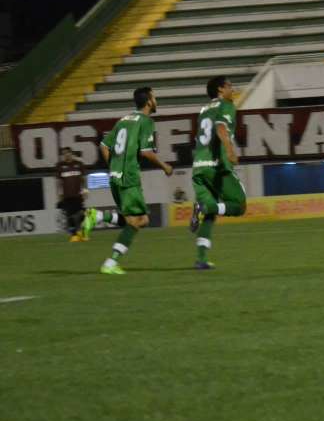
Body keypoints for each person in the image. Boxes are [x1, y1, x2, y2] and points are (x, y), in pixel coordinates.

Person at [81, 87, 173, 275]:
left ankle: (98, 218)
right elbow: (145, 152)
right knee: (140, 220)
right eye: (154, 97)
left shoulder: (123, 120)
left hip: (115, 177)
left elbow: (104, 145)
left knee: (136, 219)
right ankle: (110, 262)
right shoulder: (146, 121)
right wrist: (165, 166)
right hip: (129, 177)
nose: (156, 100)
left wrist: (114, 166)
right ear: (148, 101)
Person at [187, 76, 248, 269]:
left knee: (211, 214)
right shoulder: (226, 105)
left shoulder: (204, 110)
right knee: (239, 206)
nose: (233, 89)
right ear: (221, 90)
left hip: (198, 167)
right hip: (216, 166)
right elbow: (221, 127)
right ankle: (203, 208)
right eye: (230, 86)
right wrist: (230, 149)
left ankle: (201, 259)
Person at [57, 147, 88, 241]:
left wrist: (85, 190)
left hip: (78, 194)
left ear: (71, 153)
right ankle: (74, 235)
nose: (66, 155)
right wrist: (59, 194)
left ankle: (81, 232)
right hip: (67, 195)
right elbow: (59, 182)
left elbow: (84, 179)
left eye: (67, 153)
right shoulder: (60, 166)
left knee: (82, 214)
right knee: (69, 215)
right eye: (64, 153)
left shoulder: (79, 164)